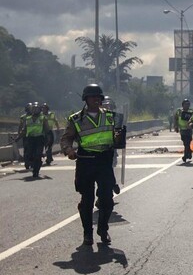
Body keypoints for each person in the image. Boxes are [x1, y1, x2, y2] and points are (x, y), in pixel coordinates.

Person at [60, 84, 121, 245]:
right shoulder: (76, 119)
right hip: (85, 161)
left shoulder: (110, 116)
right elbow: (66, 138)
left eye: (98, 97)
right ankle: (88, 233)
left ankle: (103, 229)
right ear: (86, 99)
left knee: (107, 200)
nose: (96, 99)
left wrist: (119, 137)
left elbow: (118, 135)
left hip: (104, 161)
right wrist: (69, 151)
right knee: (87, 200)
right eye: (93, 97)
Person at [15, 102, 49, 178]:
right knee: (29, 155)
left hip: (39, 138)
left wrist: (47, 139)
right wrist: (18, 138)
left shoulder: (43, 118)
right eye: (33, 109)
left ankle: (36, 171)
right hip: (30, 139)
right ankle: (33, 165)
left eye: (37, 109)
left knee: (38, 155)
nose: (35, 110)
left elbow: (47, 129)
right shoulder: (28, 119)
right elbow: (24, 130)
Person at [174, 99, 193, 163]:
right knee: (185, 143)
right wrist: (176, 126)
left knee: (188, 142)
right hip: (182, 130)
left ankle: (186, 155)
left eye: (188, 104)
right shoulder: (179, 111)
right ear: (183, 105)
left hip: (189, 129)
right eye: (185, 104)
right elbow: (176, 119)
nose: (187, 106)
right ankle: (189, 152)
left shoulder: (191, 112)